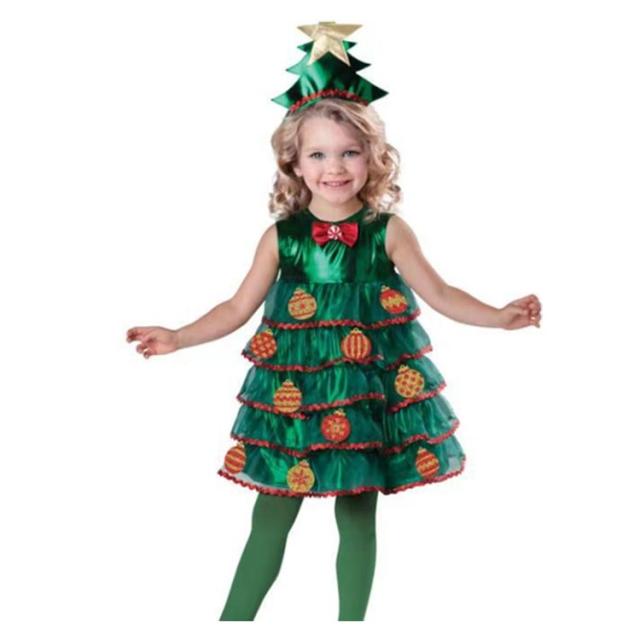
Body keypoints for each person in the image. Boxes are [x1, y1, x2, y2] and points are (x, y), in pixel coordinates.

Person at [126, 21, 542, 622]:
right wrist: (178, 336)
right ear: (294, 163)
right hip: (293, 402)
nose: (335, 167)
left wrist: (500, 317)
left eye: (349, 152)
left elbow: (441, 293)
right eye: (318, 154)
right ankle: (232, 623)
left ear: (373, 157)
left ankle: (351, 626)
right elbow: (237, 308)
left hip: (362, 397)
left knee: (357, 517)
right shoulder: (283, 238)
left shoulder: (388, 232)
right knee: (271, 516)